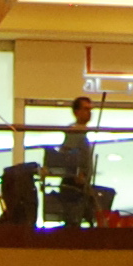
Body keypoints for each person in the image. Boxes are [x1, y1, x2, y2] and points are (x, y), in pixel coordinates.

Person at [50, 94, 103, 225]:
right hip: (74, 184)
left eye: (90, 109)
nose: (89, 113)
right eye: (85, 109)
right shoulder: (74, 132)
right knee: (74, 222)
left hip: (81, 184)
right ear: (76, 112)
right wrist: (77, 173)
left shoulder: (82, 133)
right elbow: (67, 154)